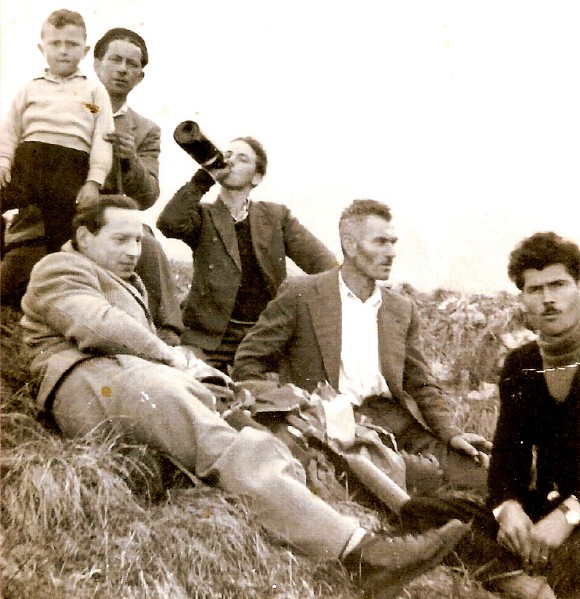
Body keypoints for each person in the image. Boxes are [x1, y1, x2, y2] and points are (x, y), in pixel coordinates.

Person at [19, 195, 469, 599]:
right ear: (82, 236)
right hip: (88, 378)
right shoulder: (59, 268)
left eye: (137, 241)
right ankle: (362, 554)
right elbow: (97, 325)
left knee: (254, 430)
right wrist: (175, 358)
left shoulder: (126, 280)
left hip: (131, 377)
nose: (133, 252)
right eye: (120, 240)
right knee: (215, 438)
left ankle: (353, 522)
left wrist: (199, 374)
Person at [232, 199, 492, 492]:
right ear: (350, 245)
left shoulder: (401, 309)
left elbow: (420, 383)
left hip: (396, 421)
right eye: (380, 242)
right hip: (336, 426)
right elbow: (248, 362)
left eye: (393, 242)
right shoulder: (302, 294)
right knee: (419, 481)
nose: (391, 252)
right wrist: (295, 405)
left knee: (483, 477)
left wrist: (451, 433)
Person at [399, 231, 580, 599]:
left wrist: (568, 517)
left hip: (574, 514)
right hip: (543, 509)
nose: (548, 299)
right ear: (523, 298)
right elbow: (506, 462)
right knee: (420, 511)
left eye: (559, 285)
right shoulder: (521, 364)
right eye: (535, 289)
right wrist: (508, 510)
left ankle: (523, 574)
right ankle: (522, 578)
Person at [1, 26, 183, 343]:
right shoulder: (56, 106)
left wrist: (130, 160)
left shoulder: (144, 130)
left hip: (109, 231)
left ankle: (168, 336)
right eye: (115, 60)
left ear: (140, 76)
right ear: (96, 64)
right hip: (41, 227)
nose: (123, 70)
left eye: (132, 64)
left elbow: (148, 196)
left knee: (145, 242)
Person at [157, 137, 337, 371]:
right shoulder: (204, 216)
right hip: (209, 342)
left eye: (242, 159)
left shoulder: (276, 217)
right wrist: (203, 179)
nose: (230, 162)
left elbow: (323, 263)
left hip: (263, 338)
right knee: (188, 383)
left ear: (257, 177)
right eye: (227, 155)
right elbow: (169, 223)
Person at [0, 9, 113, 254]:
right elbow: (9, 130)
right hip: (29, 163)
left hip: (69, 166)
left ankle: (57, 273)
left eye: (72, 44)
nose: (63, 50)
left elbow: (102, 138)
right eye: (55, 43)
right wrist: (4, 161)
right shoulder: (30, 89)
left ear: (84, 51)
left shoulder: (93, 92)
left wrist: (94, 181)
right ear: (43, 49)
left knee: (61, 233)